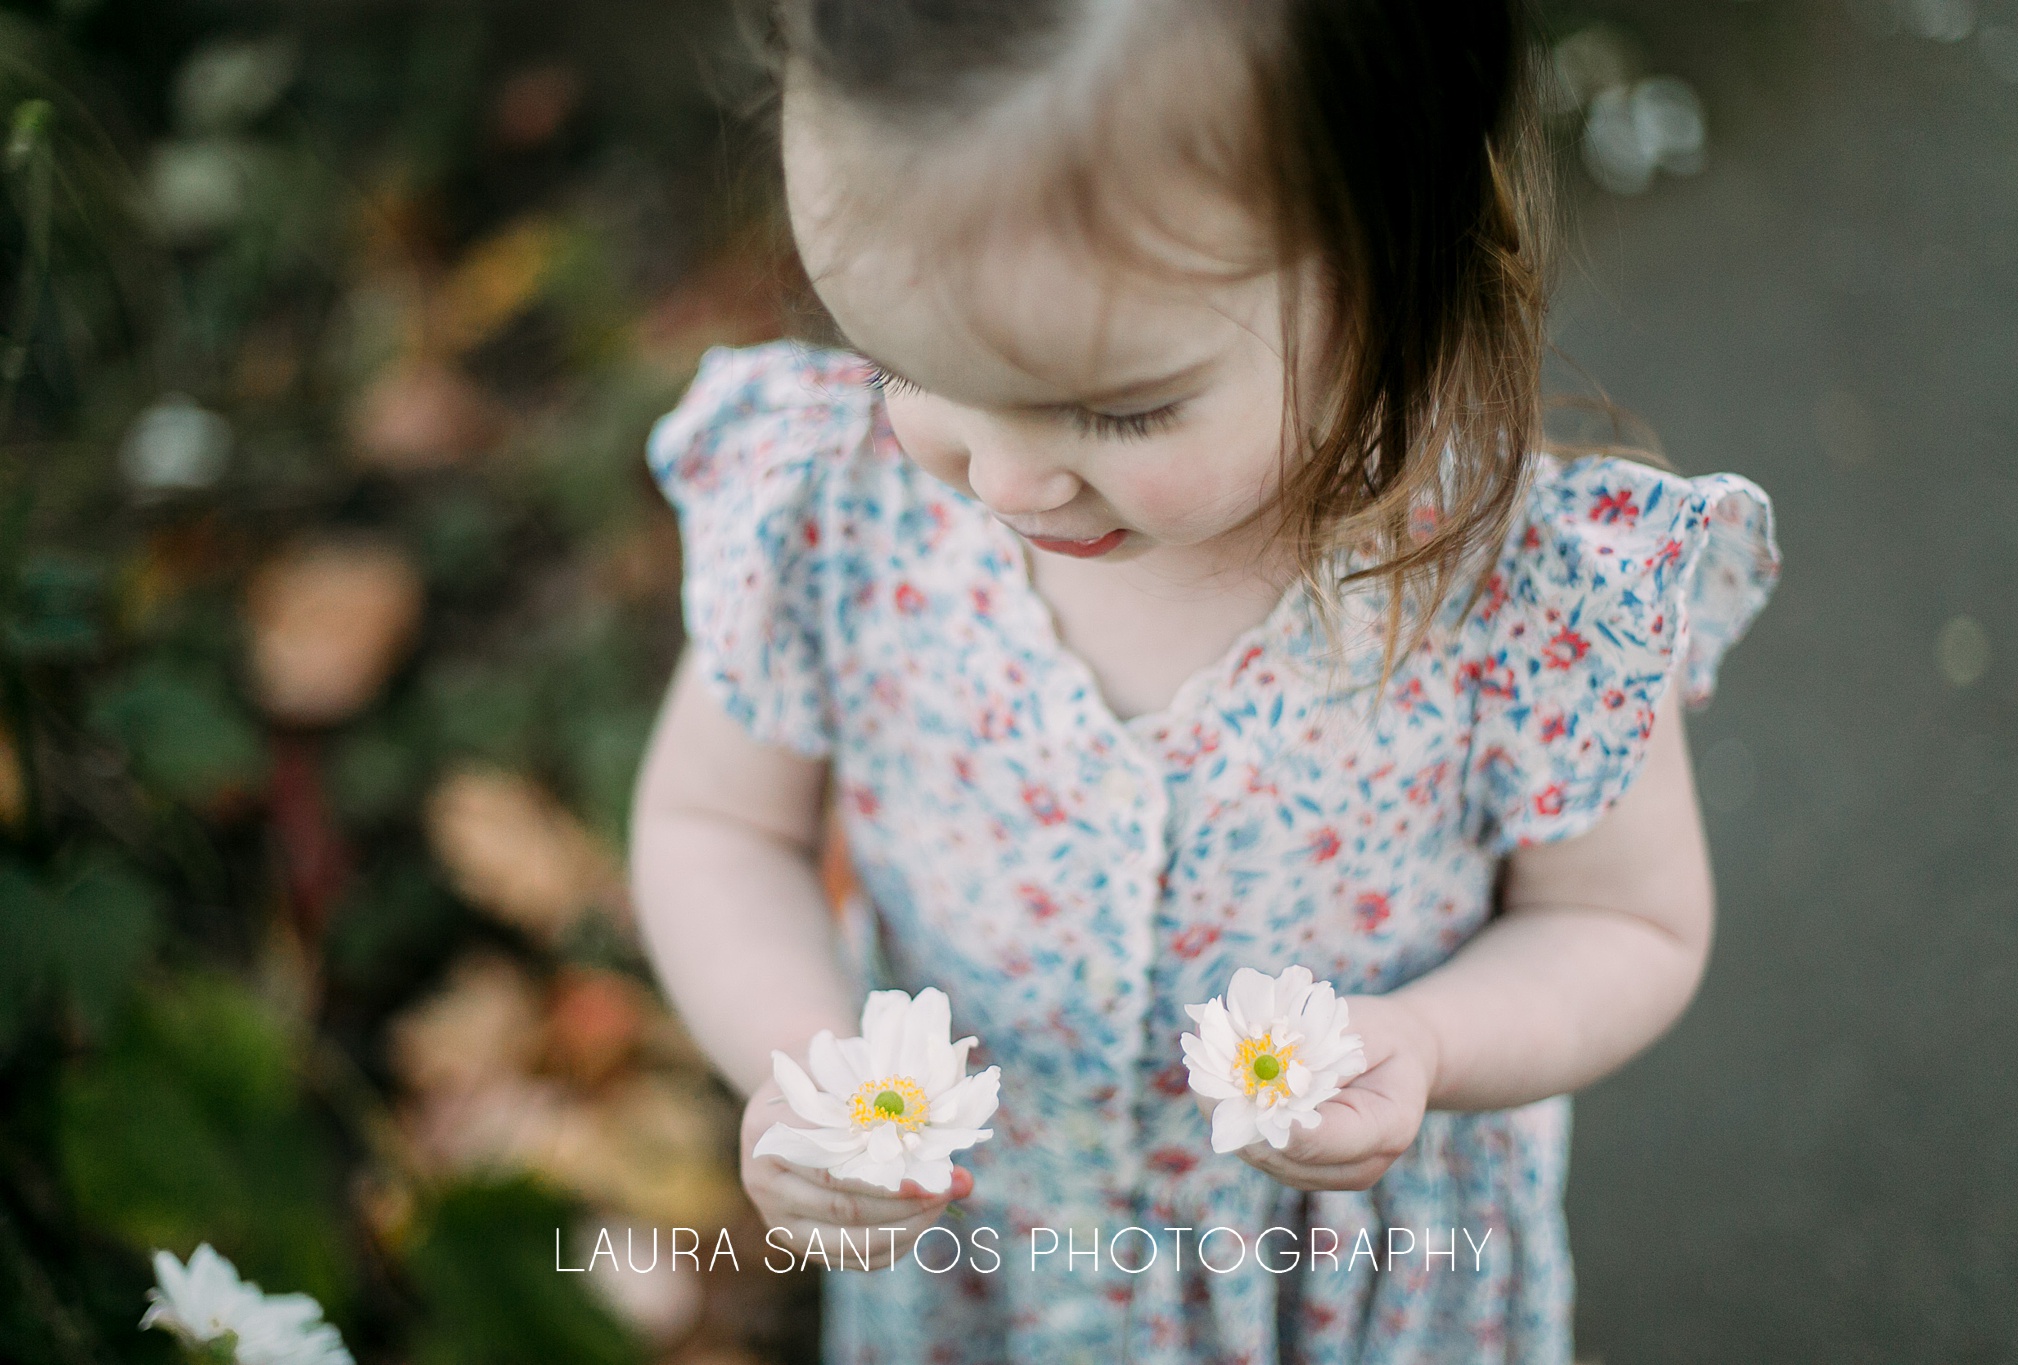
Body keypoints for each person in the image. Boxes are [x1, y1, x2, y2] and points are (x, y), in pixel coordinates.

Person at [629, 1, 1781, 1361]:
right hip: (994, 1259)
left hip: (1343, 1286)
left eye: (1118, 409)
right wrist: (803, 1064)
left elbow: (1629, 925)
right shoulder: (835, 506)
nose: (1000, 481)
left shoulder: (1529, 600)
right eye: (904, 365)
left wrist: (1428, 1040)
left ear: (1393, 249)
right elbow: (718, 824)